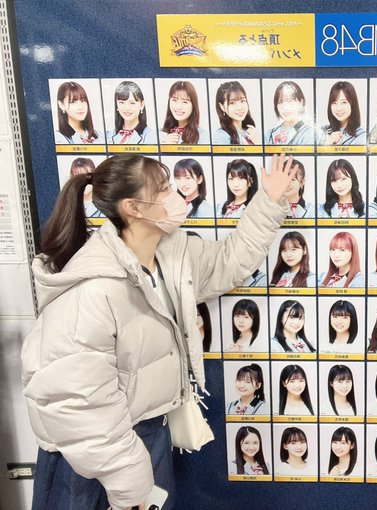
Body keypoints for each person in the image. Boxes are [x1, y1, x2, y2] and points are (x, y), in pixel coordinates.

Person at [23, 153, 294, 509]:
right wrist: (129, 482)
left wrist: (269, 200)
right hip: (93, 461)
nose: (176, 195)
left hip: (145, 439)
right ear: (133, 207)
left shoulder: (171, 255)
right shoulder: (92, 287)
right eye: (164, 189)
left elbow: (229, 261)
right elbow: (76, 403)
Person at [160, 80, 209, 145]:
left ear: (193, 105)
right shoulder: (160, 134)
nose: (179, 107)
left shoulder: (203, 137)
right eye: (174, 100)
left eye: (185, 102)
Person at [266, 81, 314, 145]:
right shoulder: (270, 134)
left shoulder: (308, 133)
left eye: (290, 101)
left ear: (301, 103)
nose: (285, 107)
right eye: (280, 102)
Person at [318, 81, 366, 146]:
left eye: (344, 102)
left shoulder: (361, 136)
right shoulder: (322, 131)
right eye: (334, 103)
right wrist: (328, 142)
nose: (338, 108)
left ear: (352, 104)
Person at [213, 81, 260, 145]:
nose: (239, 108)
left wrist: (258, 142)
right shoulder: (221, 136)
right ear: (222, 107)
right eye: (232, 103)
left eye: (242, 101)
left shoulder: (251, 132)